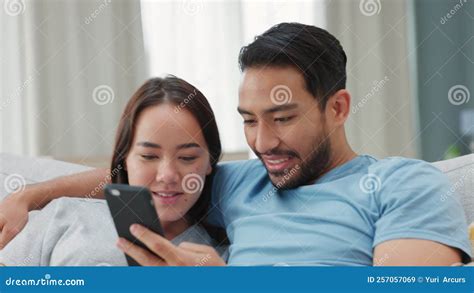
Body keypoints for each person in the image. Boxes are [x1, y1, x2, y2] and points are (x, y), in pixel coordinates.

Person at [0, 23, 471, 266]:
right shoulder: (244, 183)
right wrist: (28, 195)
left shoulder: (406, 184)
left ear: (339, 108)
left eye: (282, 118)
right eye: (249, 121)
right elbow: (140, 174)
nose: (263, 143)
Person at [0, 76, 228, 266]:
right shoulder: (67, 215)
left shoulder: (218, 259)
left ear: (210, 161)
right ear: (124, 159)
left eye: (187, 158)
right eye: (148, 156)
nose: (167, 175)